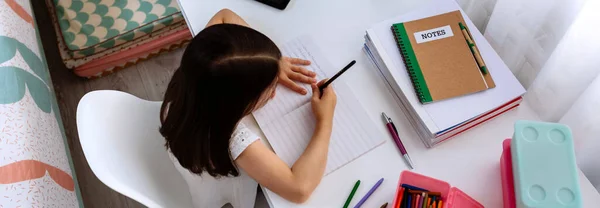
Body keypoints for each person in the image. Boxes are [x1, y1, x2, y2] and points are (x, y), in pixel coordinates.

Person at [160, 9, 337, 207]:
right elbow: (299, 189)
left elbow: (225, 15)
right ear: (237, 106)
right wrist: (324, 121)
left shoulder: (200, 66)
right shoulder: (232, 141)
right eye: (268, 90)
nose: (273, 93)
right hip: (216, 182)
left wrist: (268, 62)